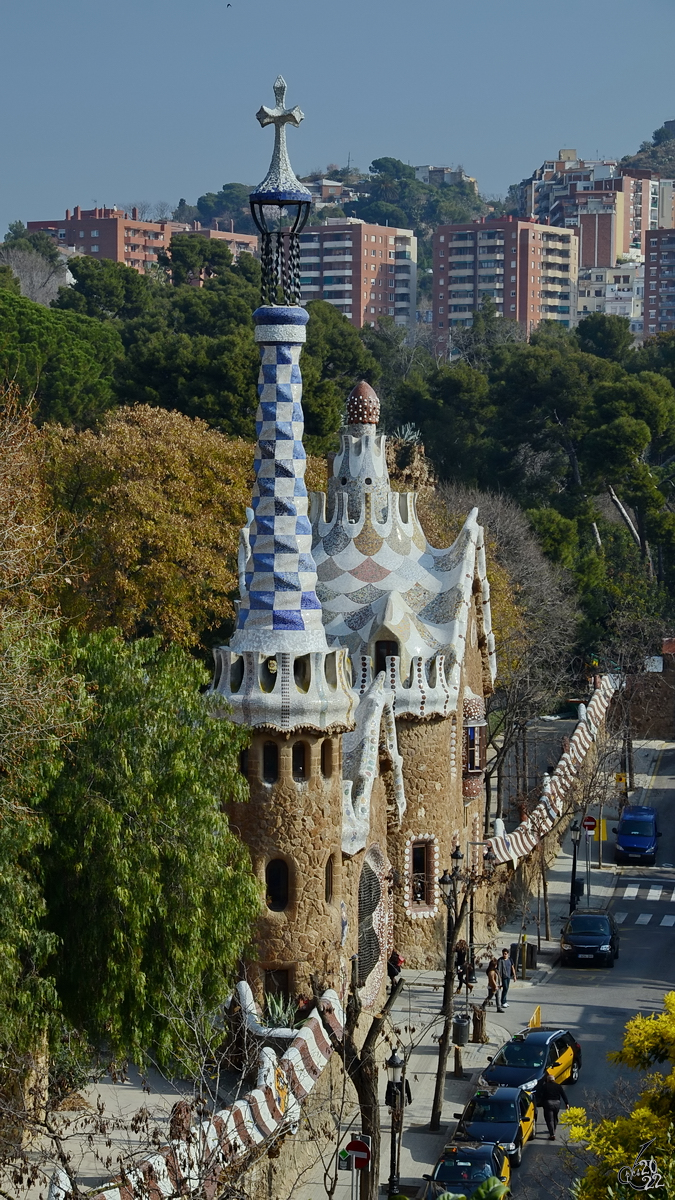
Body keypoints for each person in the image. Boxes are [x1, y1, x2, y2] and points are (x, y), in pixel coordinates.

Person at [535, 1069, 569, 1139]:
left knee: (549, 1118)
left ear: (547, 1080)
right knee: (555, 1117)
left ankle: (552, 1134)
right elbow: (563, 1094)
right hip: (557, 1103)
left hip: (548, 1103)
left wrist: (538, 1102)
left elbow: (540, 1094)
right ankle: (554, 1129)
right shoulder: (558, 1086)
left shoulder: (545, 1086)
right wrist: (566, 1103)